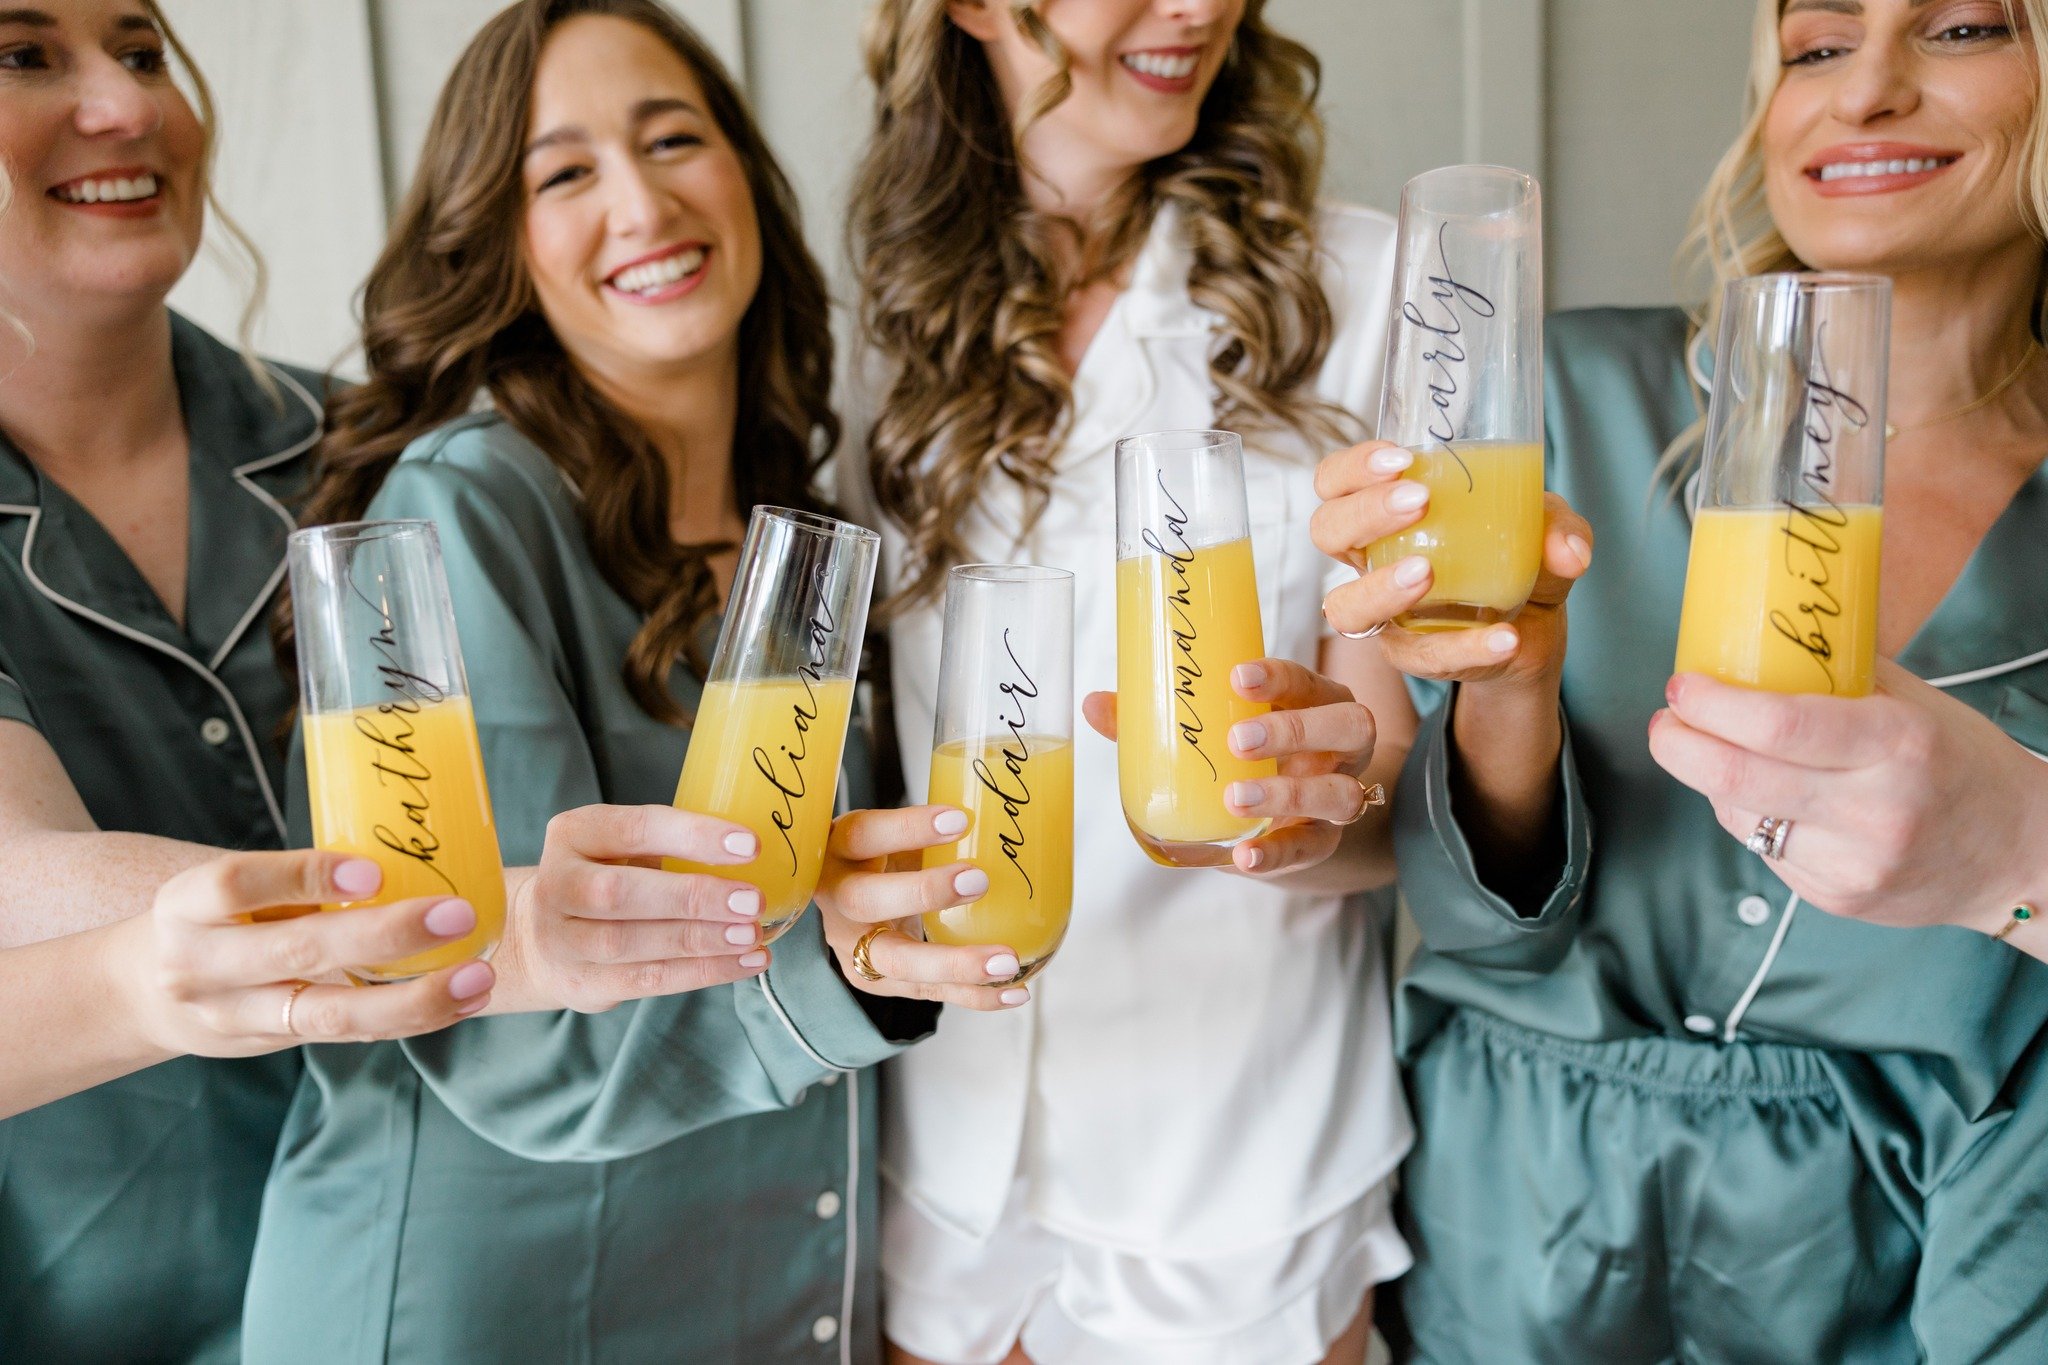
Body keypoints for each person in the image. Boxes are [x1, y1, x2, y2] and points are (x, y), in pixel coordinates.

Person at [239, 4, 1013, 1359]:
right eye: (566, 172)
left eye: (673, 140)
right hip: (474, 1308)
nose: (644, 201)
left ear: (746, 178)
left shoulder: (808, 522)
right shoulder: (458, 513)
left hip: (763, 1297)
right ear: (498, 241)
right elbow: (489, 1009)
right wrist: (850, 977)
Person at [840, 0, 1580, 1358]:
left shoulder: (1367, 294)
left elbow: (1391, 799)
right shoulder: (870, 328)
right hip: (943, 1168)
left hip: (1244, 1176)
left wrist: (1314, 805)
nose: (1199, 8)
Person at [1314, 0, 2048, 1358]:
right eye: (1818, 47)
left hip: (1909, 1289)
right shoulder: (1557, 401)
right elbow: (1469, 919)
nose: (1867, 91)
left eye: (1959, 29)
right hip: (1502, 1252)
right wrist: (1509, 696)